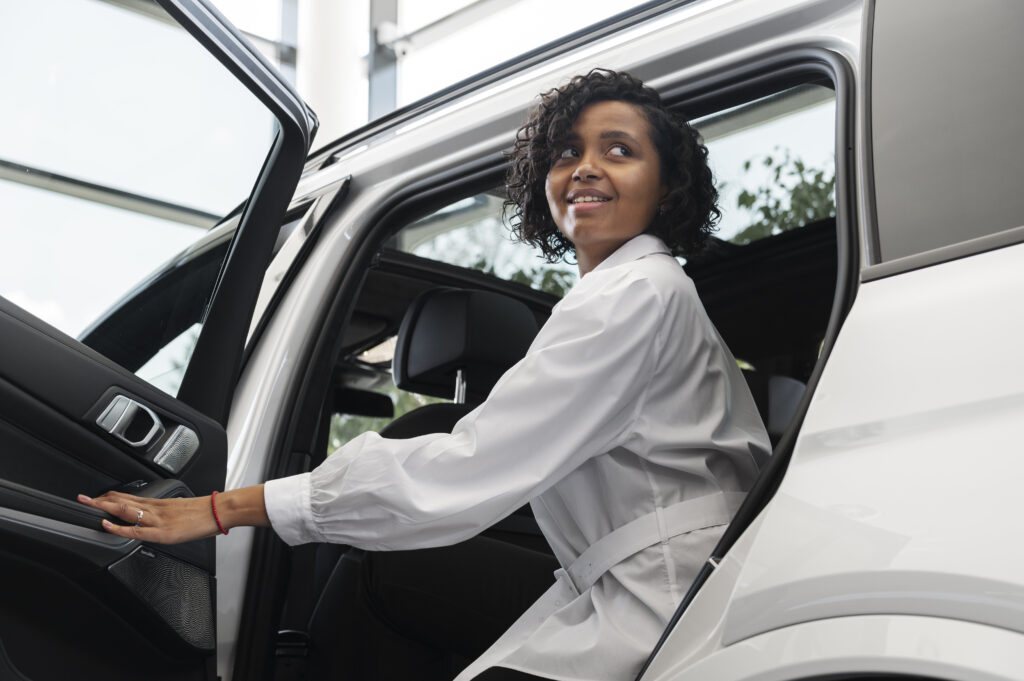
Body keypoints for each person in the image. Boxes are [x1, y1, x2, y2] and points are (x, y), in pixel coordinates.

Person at [79, 69, 770, 681]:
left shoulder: (633, 296)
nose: (585, 168)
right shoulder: (642, 292)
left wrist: (217, 509)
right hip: (655, 587)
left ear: (668, 184)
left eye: (619, 150)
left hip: (660, 599)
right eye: (568, 151)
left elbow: (462, 468)